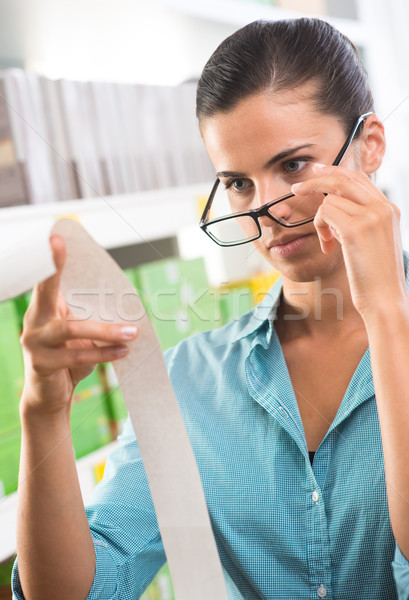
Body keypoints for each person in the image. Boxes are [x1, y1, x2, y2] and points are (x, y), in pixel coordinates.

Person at [11, 17, 409, 600]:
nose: (264, 209)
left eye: (293, 165)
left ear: (369, 144)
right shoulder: (191, 381)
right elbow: (77, 592)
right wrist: (42, 410)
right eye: (238, 183)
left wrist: (386, 314)